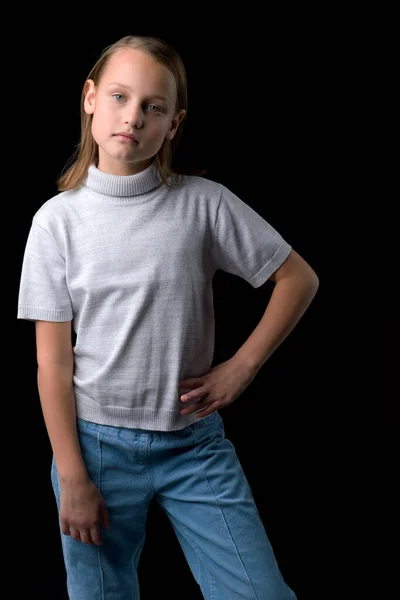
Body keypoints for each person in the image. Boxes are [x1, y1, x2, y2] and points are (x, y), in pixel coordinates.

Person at [17, 34, 319, 599]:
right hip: (94, 449)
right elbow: (52, 363)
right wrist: (72, 477)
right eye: (118, 97)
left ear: (173, 123)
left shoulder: (203, 204)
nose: (132, 118)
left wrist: (243, 366)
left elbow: (298, 278)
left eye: (153, 107)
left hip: (194, 446)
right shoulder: (56, 222)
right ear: (89, 98)